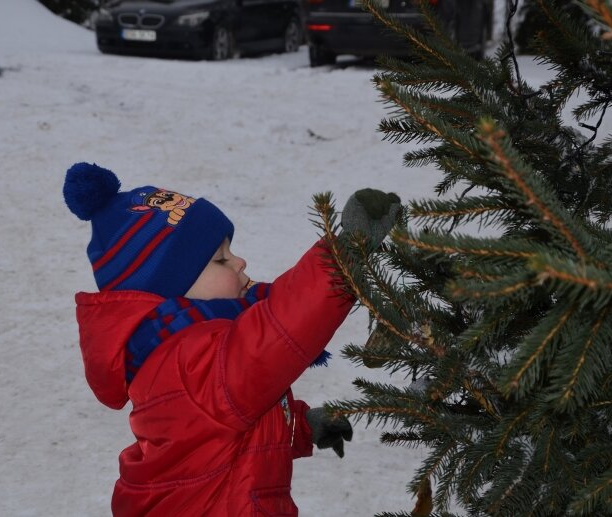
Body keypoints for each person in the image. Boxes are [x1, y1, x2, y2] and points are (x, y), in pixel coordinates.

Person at [63, 162, 400, 516]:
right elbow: (276, 333)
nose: (239, 262)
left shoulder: (184, 348)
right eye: (220, 259)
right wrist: (344, 251)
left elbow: (229, 430)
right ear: (175, 292)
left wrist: (300, 425)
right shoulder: (187, 361)